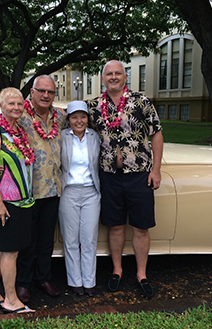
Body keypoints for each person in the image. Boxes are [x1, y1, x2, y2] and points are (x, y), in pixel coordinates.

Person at [86, 60, 163, 299]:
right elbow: (71, 124)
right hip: (109, 176)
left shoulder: (141, 101)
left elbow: (156, 134)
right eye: (109, 73)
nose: (113, 77)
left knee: (141, 227)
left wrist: (156, 170)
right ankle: (117, 270)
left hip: (139, 175)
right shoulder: (94, 107)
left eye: (118, 73)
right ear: (102, 78)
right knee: (115, 225)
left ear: (125, 77)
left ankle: (141, 274)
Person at [0, 87, 35, 314]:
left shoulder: (17, 131)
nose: (16, 107)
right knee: (11, 252)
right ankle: (11, 300)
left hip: (23, 201)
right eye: (11, 104)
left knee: (2, 249)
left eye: (20, 104)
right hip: (8, 202)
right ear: (1, 106)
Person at [16, 75, 66, 303]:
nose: (46, 95)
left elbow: (82, 123)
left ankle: (43, 278)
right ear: (32, 92)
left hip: (53, 189)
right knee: (27, 240)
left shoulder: (60, 116)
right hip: (28, 190)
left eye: (51, 92)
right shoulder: (19, 115)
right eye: (41, 91)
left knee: (46, 239)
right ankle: (23, 283)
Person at [58, 100, 101, 297]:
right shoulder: (62, 137)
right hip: (69, 192)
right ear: (69, 119)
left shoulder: (95, 137)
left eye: (82, 116)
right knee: (71, 239)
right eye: (74, 116)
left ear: (87, 118)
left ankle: (89, 281)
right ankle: (75, 281)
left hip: (91, 192)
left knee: (89, 238)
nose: (79, 120)